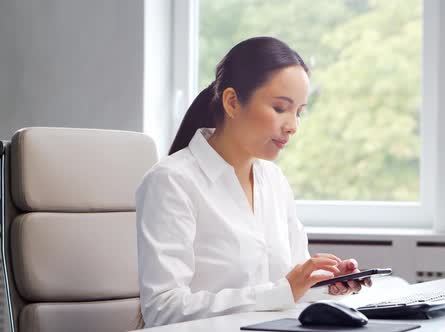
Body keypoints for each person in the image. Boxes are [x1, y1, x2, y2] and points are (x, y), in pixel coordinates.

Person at [135, 36, 371, 328]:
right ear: (232, 102)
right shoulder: (171, 182)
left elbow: (288, 289)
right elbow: (163, 309)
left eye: (299, 112)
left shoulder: (273, 180)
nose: (293, 126)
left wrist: (325, 283)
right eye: (280, 108)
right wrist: (281, 292)